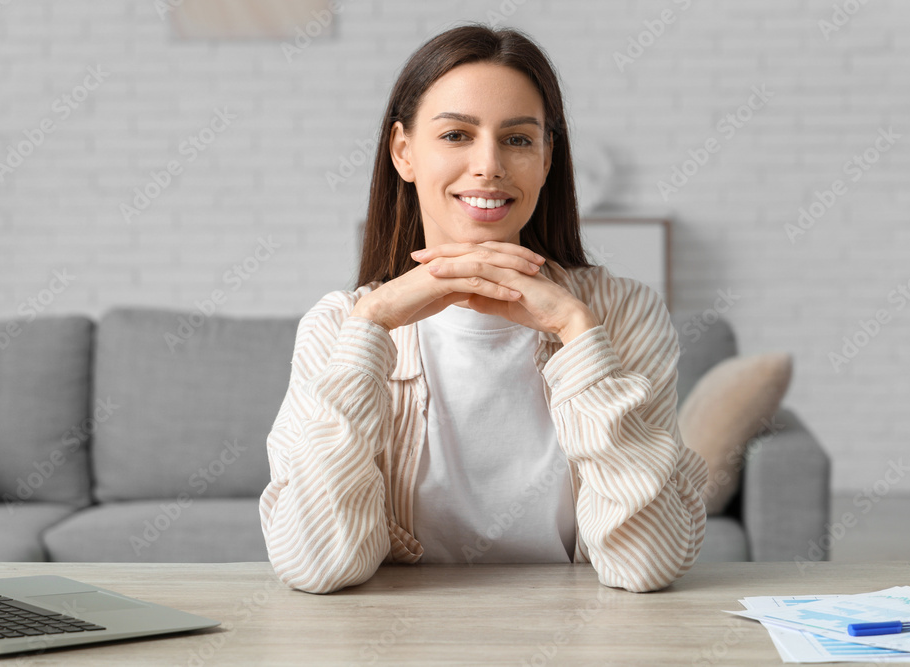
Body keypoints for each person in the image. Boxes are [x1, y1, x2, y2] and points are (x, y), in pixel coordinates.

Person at [259, 23, 708, 595]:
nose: (489, 165)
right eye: (456, 135)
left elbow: (646, 565)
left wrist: (577, 332)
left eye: (518, 139)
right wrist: (370, 327)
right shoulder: (339, 326)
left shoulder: (623, 314)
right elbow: (317, 566)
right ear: (404, 152)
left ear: (547, 158)